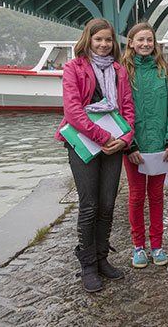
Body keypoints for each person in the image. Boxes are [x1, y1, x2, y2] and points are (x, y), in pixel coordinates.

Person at [54, 18, 135, 292]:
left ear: (114, 43)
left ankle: (102, 259)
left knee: (108, 204)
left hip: (113, 144)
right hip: (84, 143)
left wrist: (124, 138)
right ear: (87, 39)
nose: (103, 44)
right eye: (98, 39)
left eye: (108, 40)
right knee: (89, 205)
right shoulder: (73, 68)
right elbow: (73, 111)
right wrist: (104, 137)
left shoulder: (119, 72)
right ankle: (87, 264)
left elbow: (127, 109)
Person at [122, 22, 168, 267]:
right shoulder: (123, 72)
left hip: (160, 146)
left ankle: (157, 245)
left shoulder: (164, 71)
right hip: (135, 147)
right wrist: (129, 144)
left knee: (157, 196)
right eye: (141, 40)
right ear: (131, 42)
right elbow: (120, 110)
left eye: (150, 40)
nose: (145, 44)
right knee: (136, 197)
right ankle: (138, 246)